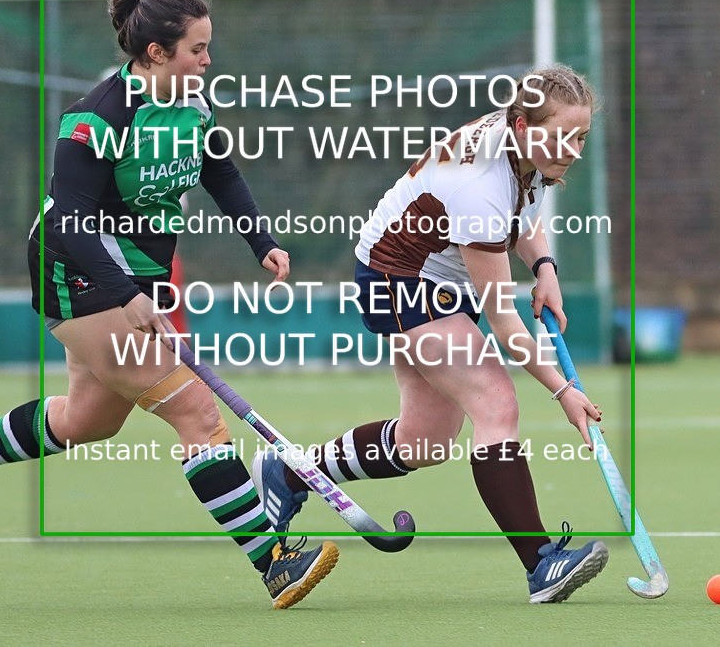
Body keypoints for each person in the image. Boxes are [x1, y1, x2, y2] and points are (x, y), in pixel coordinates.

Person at [0, 0, 338, 610]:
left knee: (88, 420)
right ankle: (272, 558)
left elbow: (218, 168)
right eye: (197, 49)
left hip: (127, 278)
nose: (208, 62)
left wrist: (260, 241)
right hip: (75, 270)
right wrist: (125, 296)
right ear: (156, 53)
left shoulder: (193, 104)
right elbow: (67, 219)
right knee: (197, 414)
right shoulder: (99, 117)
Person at [253, 64, 606, 604]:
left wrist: (545, 268)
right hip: (399, 278)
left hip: (440, 275)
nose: (571, 149)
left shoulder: (523, 149)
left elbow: (524, 210)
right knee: (496, 401)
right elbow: (505, 320)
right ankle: (541, 563)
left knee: (424, 441)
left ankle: (291, 471)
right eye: (561, 136)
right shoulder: (479, 182)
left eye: (580, 137)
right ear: (519, 124)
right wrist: (563, 391)